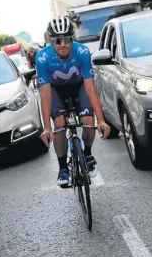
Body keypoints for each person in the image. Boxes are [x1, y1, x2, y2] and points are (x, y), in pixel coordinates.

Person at [35, 15, 111, 187]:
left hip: (79, 87)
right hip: (56, 91)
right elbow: (45, 95)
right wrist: (47, 126)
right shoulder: (42, 57)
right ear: (50, 40)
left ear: (73, 38)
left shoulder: (82, 52)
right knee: (60, 124)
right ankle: (62, 167)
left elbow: (90, 88)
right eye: (58, 40)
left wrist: (102, 120)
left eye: (68, 39)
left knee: (88, 121)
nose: (63, 44)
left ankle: (88, 154)